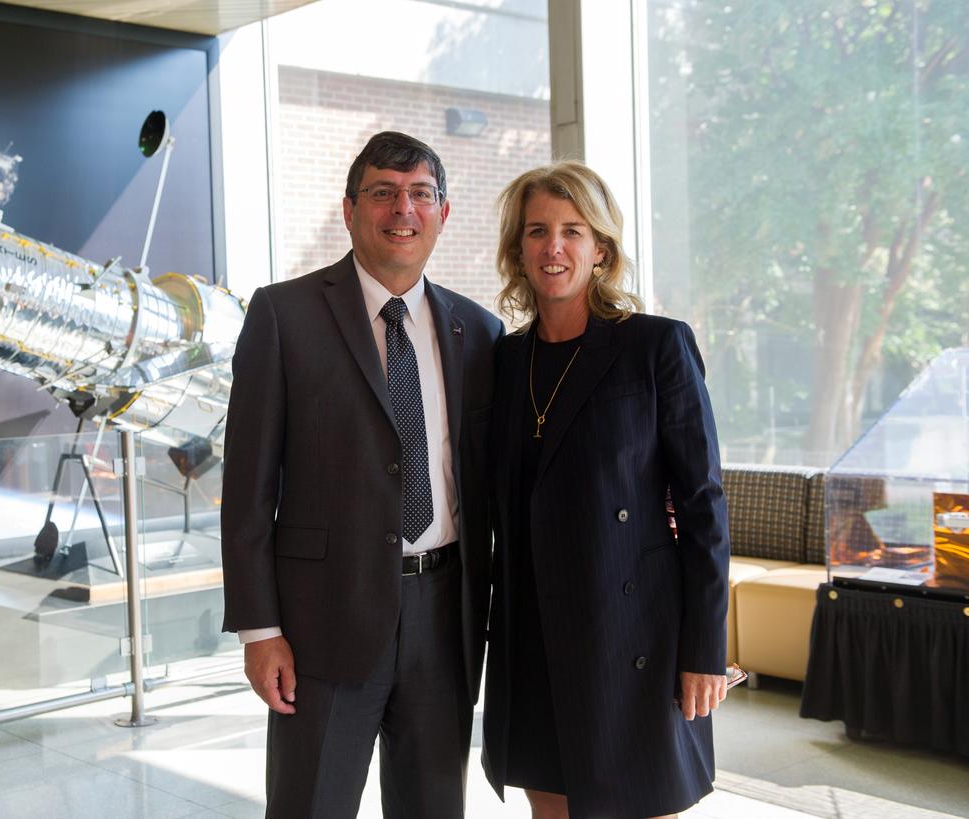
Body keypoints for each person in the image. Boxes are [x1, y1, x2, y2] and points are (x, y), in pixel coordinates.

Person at [221, 131, 503, 818]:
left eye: (419, 194)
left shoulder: (481, 332)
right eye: (382, 192)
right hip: (321, 625)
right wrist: (261, 632)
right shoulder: (283, 315)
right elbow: (247, 490)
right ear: (349, 210)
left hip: (445, 618)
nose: (401, 209)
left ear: (443, 212)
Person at [481, 161, 731, 819]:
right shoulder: (504, 362)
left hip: (633, 638)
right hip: (532, 633)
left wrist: (705, 650)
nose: (553, 247)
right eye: (537, 231)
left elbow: (703, 505)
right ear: (518, 251)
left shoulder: (656, 346)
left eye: (572, 230)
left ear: (601, 250)